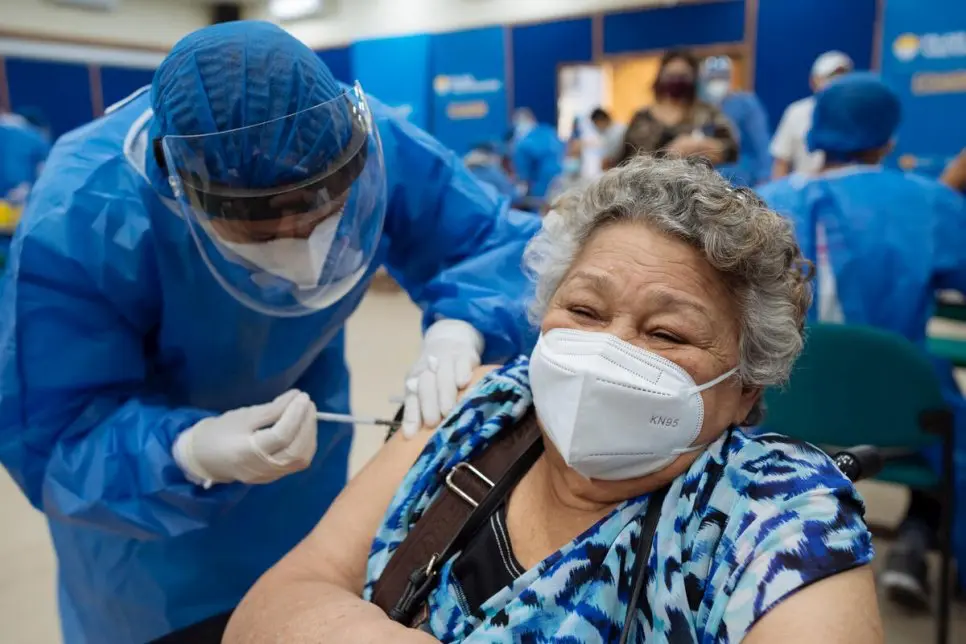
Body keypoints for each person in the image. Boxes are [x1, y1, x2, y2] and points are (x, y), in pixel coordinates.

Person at [0, 21, 541, 644]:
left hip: (305, 490)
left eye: (326, 217)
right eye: (265, 235)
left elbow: (485, 243)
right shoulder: (83, 213)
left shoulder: (354, 135)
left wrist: (462, 327)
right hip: (148, 552)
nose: (308, 256)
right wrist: (189, 452)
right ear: (185, 199)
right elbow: (58, 433)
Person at [226, 155, 883, 644]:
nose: (608, 351)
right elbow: (269, 607)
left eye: (666, 332)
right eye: (585, 309)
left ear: (745, 388)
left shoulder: (776, 518)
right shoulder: (481, 411)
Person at [758, 73, 966, 607]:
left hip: (777, 408)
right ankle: (928, 549)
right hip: (901, 417)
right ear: (889, 138)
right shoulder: (931, 204)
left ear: (813, 132)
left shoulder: (762, 203)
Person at [617, 49, 738, 166]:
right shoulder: (641, 118)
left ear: (693, 78)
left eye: (683, 75)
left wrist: (701, 145)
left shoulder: (707, 114)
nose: (676, 80)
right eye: (671, 75)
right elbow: (622, 161)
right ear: (661, 77)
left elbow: (732, 150)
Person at [770, 51, 853, 179]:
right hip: (803, 193)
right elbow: (781, 161)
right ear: (814, 80)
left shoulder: (856, 116)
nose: (837, 82)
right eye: (831, 76)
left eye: (843, 76)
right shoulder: (796, 112)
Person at [700, 56, 772, 187]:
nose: (716, 82)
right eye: (712, 77)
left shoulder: (746, 104)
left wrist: (764, 177)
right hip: (710, 181)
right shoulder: (702, 108)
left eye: (721, 76)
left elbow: (761, 142)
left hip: (744, 179)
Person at [510, 107, 565, 200]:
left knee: (539, 209)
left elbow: (522, 170)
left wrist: (521, 183)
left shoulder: (523, 142)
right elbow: (561, 148)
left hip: (541, 185)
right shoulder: (548, 131)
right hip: (559, 178)